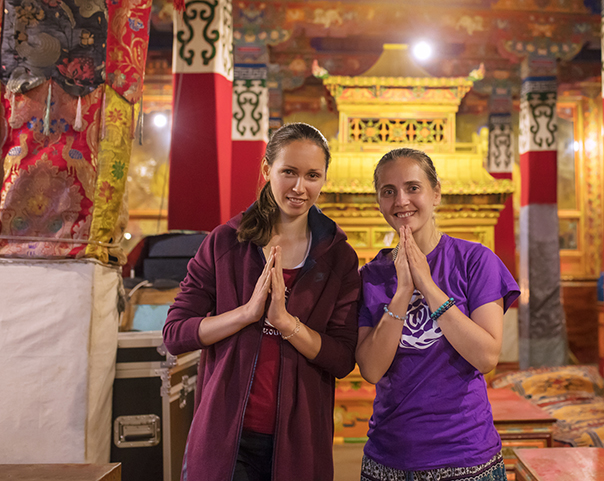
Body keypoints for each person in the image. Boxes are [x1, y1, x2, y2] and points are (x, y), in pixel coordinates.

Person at [163, 123, 360, 481]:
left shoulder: (338, 257)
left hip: (300, 440)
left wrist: (286, 324)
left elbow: (342, 358)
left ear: (323, 179)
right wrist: (246, 314)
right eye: (289, 172)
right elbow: (175, 333)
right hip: (226, 436)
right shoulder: (226, 242)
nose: (300, 187)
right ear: (268, 170)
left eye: (312, 176)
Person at [356, 148, 520, 481]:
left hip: (466, 455)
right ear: (379, 203)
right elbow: (371, 370)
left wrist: (428, 287)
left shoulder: (475, 261)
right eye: (389, 191)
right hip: (389, 456)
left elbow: (486, 356)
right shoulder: (371, 276)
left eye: (413, 188)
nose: (401, 200)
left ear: (436, 193)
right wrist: (402, 292)